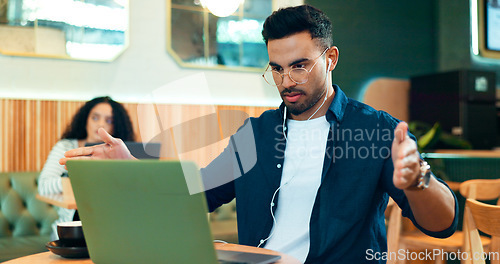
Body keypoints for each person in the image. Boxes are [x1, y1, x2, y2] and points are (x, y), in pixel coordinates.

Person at [60, 5, 458, 263]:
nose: (287, 81)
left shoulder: (375, 130)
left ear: (330, 58)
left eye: (300, 65)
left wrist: (419, 179)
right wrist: (132, 168)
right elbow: (196, 196)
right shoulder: (257, 133)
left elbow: (442, 225)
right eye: (277, 69)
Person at [39, 96, 135, 239]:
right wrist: (81, 181)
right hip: (72, 228)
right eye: (95, 118)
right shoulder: (66, 147)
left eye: (109, 121)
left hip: (114, 228)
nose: (100, 125)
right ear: (85, 119)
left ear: (116, 126)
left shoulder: (122, 153)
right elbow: (44, 185)